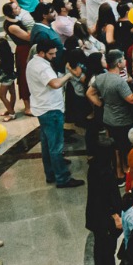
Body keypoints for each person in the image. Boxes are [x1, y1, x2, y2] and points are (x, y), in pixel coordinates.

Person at [26, 36, 83, 188]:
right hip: (51, 109)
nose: (54, 56)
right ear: (42, 52)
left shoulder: (33, 62)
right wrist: (69, 75)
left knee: (47, 144)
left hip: (41, 107)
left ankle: (50, 173)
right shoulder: (42, 67)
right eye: (51, 54)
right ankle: (62, 178)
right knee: (56, 146)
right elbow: (55, 84)